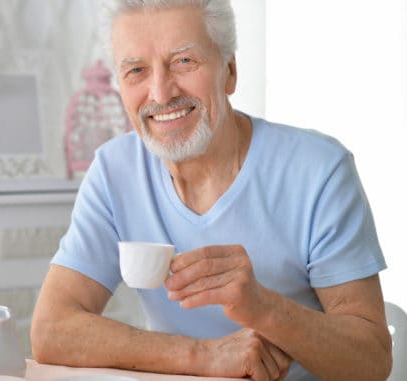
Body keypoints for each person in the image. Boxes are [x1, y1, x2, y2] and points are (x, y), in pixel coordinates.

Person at [30, 1, 393, 380]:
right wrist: (202, 356)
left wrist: (263, 307)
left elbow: (371, 361)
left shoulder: (319, 170)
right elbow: (51, 329)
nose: (160, 93)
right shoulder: (113, 171)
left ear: (230, 72)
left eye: (184, 61)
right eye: (136, 70)